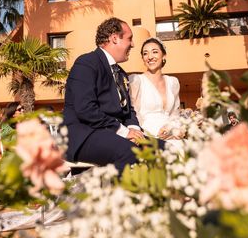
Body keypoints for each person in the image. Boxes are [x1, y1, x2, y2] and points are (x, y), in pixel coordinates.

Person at [63, 17, 154, 173]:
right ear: (114, 38)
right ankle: (117, 196)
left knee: (162, 149)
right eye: (129, 39)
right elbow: (86, 109)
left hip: (114, 134)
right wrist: (125, 132)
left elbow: (129, 111)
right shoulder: (87, 63)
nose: (133, 44)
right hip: (85, 135)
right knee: (130, 152)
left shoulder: (122, 74)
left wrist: (134, 130)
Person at [129, 38, 182, 141]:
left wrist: (171, 129)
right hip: (146, 135)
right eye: (145, 53)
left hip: (170, 135)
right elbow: (134, 115)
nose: (150, 57)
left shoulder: (173, 82)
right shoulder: (136, 80)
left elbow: (175, 115)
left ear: (164, 56)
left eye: (155, 52)